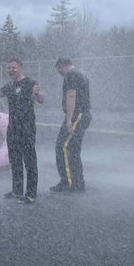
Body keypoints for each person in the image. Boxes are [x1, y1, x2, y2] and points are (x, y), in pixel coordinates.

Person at [0, 60, 43, 203]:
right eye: (9, 68)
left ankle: (30, 194)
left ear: (20, 68)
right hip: (13, 127)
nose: (11, 70)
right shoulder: (9, 86)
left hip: (27, 128)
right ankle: (17, 191)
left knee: (29, 161)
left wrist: (38, 94)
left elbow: (41, 99)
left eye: (14, 67)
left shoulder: (30, 83)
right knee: (15, 160)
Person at [50, 57, 91, 195]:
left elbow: (71, 96)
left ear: (62, 66)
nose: (59, 73)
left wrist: (69, 120)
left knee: (63, 146)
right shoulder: (80, 75)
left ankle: (70, 183)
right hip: (80, 115)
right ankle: (75, 182)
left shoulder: (71, 76)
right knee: (71, 149)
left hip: (76, 115)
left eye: (59, 70)